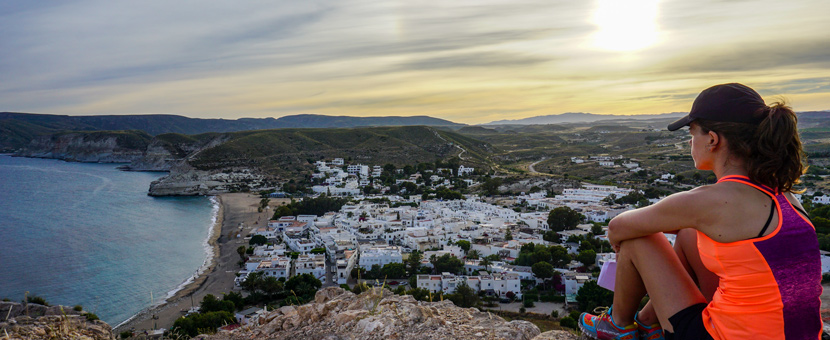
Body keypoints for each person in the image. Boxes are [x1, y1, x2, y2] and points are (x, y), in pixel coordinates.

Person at [578, 83, 821, 340]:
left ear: (713, 140)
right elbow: (700, 225)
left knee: (638, 238)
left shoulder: (711, 201)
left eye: (692, 134)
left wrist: (625, 252)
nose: (690, 142)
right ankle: (650, 324)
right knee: (689, 233)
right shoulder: (784, 195)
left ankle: (617, 326)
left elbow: (618, 227)